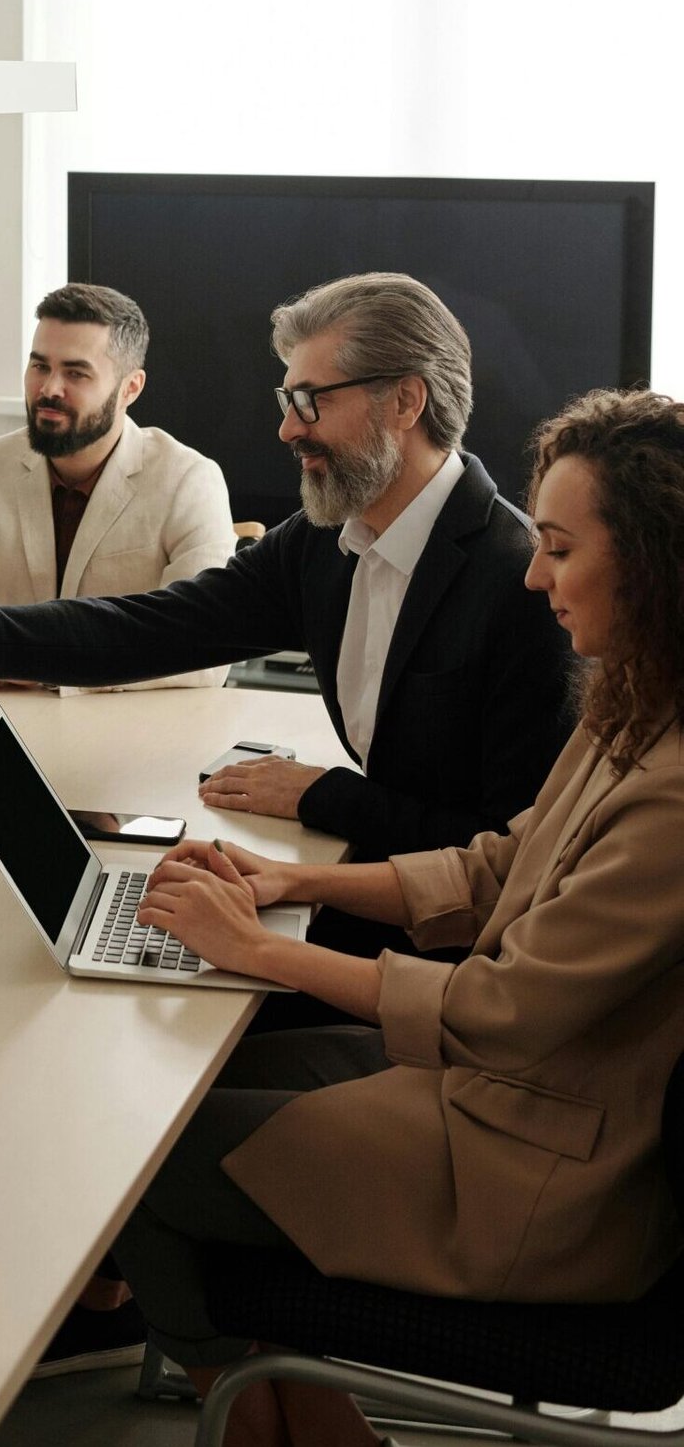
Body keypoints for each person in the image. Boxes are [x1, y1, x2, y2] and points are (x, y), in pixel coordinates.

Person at [106, 387, 684, 1445]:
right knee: (173, 1096)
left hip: (548, 1174)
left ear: (650, 566)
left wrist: (255, 954)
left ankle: (264, 1419)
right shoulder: (636, 706)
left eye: (557, 548)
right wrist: (293, 887)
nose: (532, 573)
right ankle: (300, 1418)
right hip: (515, 1102)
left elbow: (504, 1010)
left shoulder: (673, 787)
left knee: (127, 1160)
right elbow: (500, 865)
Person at [0, 272, 573, 973]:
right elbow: (153, 628)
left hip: (449, 963)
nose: (287, 427)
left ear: (406, 401)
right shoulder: (324, 543)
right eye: (285, 399)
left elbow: (514, 854)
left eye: (308, 401)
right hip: (368, 907)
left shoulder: (524, 585)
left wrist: (324, 795)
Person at [0, 283, 234, 701]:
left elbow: (208, 650)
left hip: (135, 731)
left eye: (76, 373)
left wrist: (38, 664)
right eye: (40, 366)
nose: (49, 389)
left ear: (131, 388)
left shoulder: (189, 479)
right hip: (0, 726)